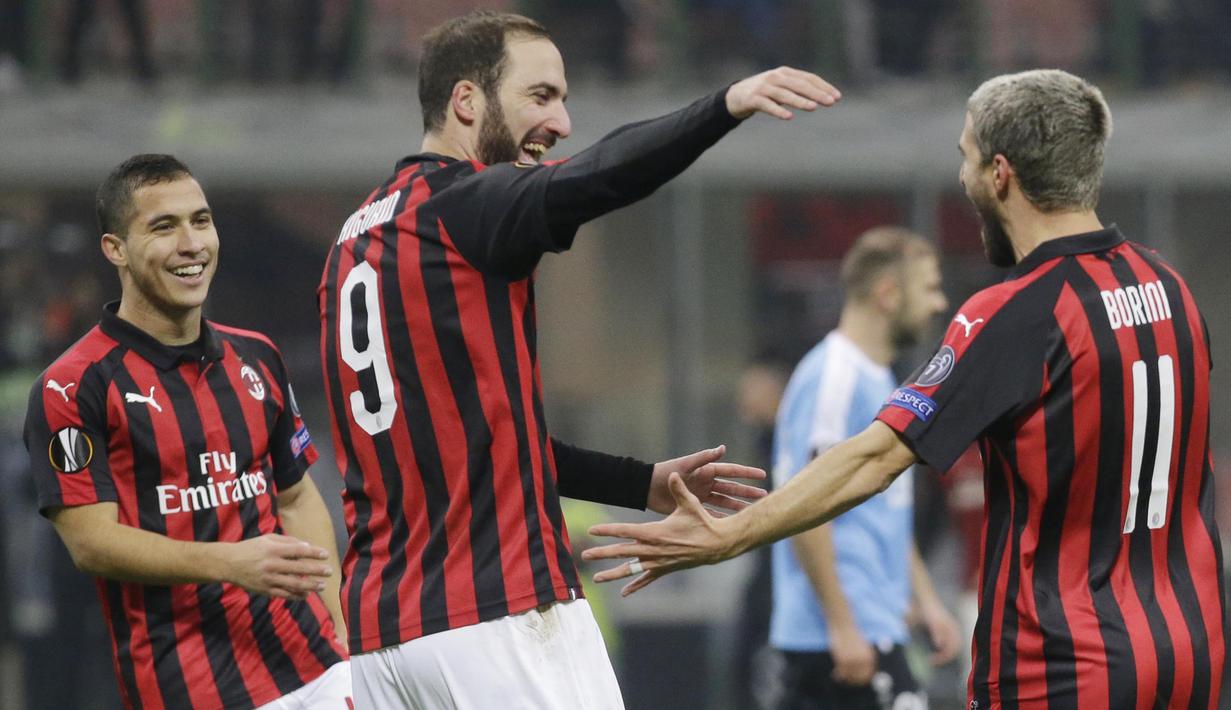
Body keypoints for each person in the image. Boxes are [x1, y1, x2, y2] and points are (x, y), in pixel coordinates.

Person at [584, 69, 1226, 709]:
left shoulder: (1018, 312)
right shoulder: (1168, 286)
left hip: (1066, 665)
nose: (962, 177)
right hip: (1189, 648)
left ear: (1000, 174)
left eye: (966, 158)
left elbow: (874, 458)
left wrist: (732, 534)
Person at [317, 9, 839, 708]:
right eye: (540, 96)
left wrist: (641, 482)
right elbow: (599, 175)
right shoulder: (464, 207)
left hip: (384, 638)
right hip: (495, 617)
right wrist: (725, 105)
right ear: (466, 100)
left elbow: (484, 439)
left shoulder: (350, 245)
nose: (561, 123)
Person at [24, 154, 351, 710]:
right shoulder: (71, 387)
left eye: (201, 221)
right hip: (188, 686)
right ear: (115, 249)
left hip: (315, 663)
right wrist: (231, 563)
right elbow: (92, 544)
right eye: (163, 227)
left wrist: (339, 624)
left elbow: (296, 497)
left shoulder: (257, 355)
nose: (191, 244)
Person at [765, 227, 960, 709]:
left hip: (874, 626)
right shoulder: (834, 376)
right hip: (835, 641)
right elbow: (802, 507)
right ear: (888, 294)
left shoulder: (882, 378)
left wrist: (923, 599)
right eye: (929, 288)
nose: (939, 304)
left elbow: (881, 507)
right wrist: (841, 625)